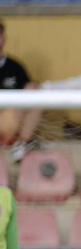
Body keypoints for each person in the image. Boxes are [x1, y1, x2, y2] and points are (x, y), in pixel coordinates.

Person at [0, 20, 44, 161]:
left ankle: (22, 144)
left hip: (13, 120)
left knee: (35, 94)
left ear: (4, 39)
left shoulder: (15, 67)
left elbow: (30, 92)